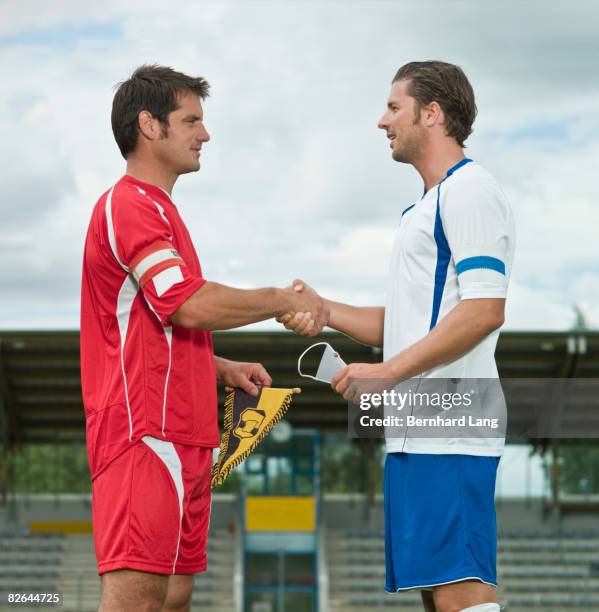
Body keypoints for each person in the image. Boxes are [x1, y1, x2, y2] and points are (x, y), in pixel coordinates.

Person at [80, 64, 327, 612]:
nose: (205, 134)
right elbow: (187, 304)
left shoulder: (164, 211)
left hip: (188, 433)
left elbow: (157, 324)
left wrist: (219, 368)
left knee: (176, 596)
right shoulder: (129, 204)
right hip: (143, 431)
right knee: (138, 598)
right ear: (149, 125)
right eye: (191, 120)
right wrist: (281, 299)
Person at [282, 61, 514, 612]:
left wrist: (384, 373)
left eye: (393, 108)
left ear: (431, 114)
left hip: (452, 419)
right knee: (439, 594)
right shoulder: (422, 207)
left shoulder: (471, 190)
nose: (381, 121)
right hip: (419, 425)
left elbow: (484, 310)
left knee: (461, 588)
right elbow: (411, 325)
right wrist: (327, 311)